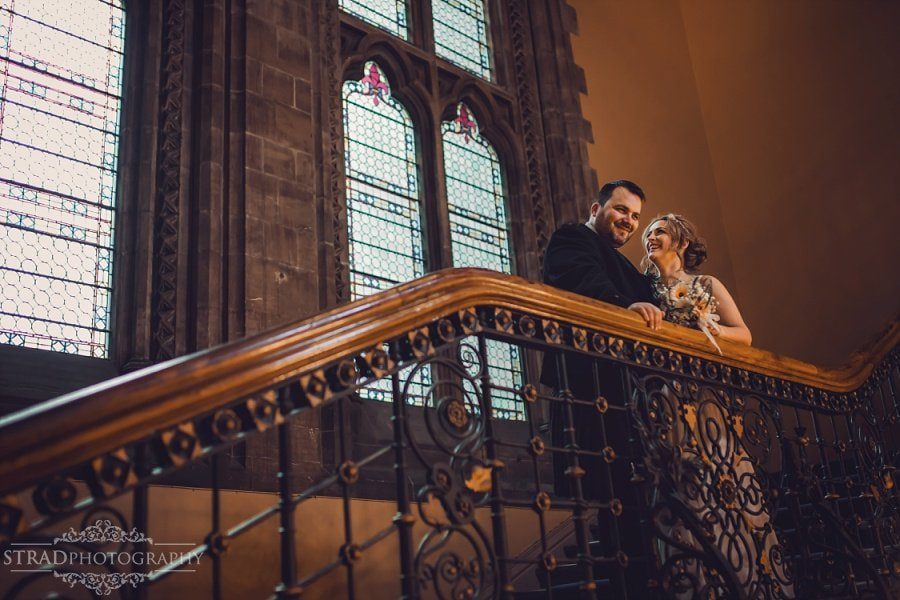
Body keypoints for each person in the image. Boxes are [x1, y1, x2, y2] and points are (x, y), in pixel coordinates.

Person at [640, 214, 791, 596]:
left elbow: (745, 335)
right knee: (679, 484)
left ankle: (744, 581)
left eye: (659, 231)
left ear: (682, 241)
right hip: (663, 399)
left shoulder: (706, 285)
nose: (650, 237)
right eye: (647, 233)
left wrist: (710, 326)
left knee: (718, 475)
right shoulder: (641, 288)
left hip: (705, 398)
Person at [540, 181, 662, 591]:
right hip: (589, 390)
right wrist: (623, 306)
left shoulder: (628, 267)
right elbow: (579, 276)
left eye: (635, 216)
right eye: (621, 209)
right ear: (597, 207)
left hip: (631, 397)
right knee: (613, 497)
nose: (628, 220)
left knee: (639, 500)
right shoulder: (572, 238)